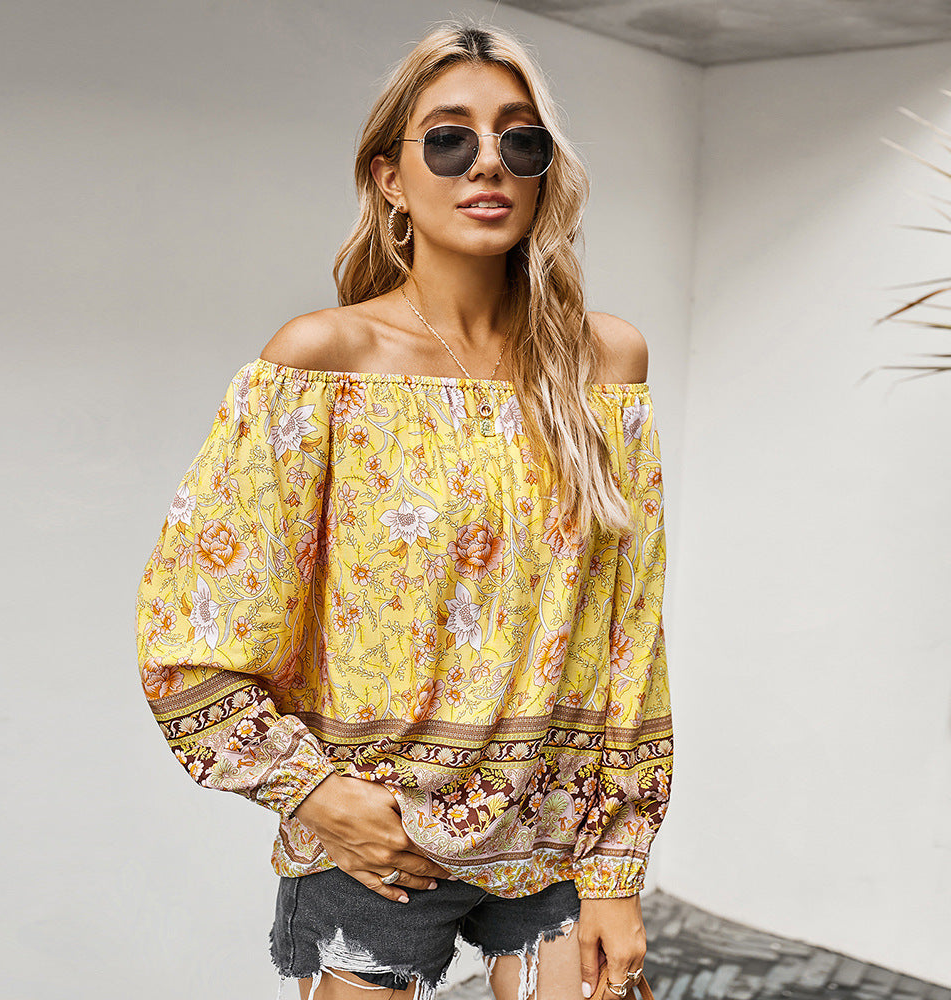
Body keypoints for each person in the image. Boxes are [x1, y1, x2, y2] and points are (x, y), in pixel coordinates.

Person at [135, 17, 673, 1000]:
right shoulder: (323, 362)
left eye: (520, 140)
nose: (489, 162)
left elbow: (627, 633)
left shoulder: (604, 364)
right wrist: (312, 791)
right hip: (380, 847)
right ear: (390, 176)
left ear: (544, 170)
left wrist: (618, 866)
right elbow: (192, 623)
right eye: (450, 138)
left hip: (558, 834)